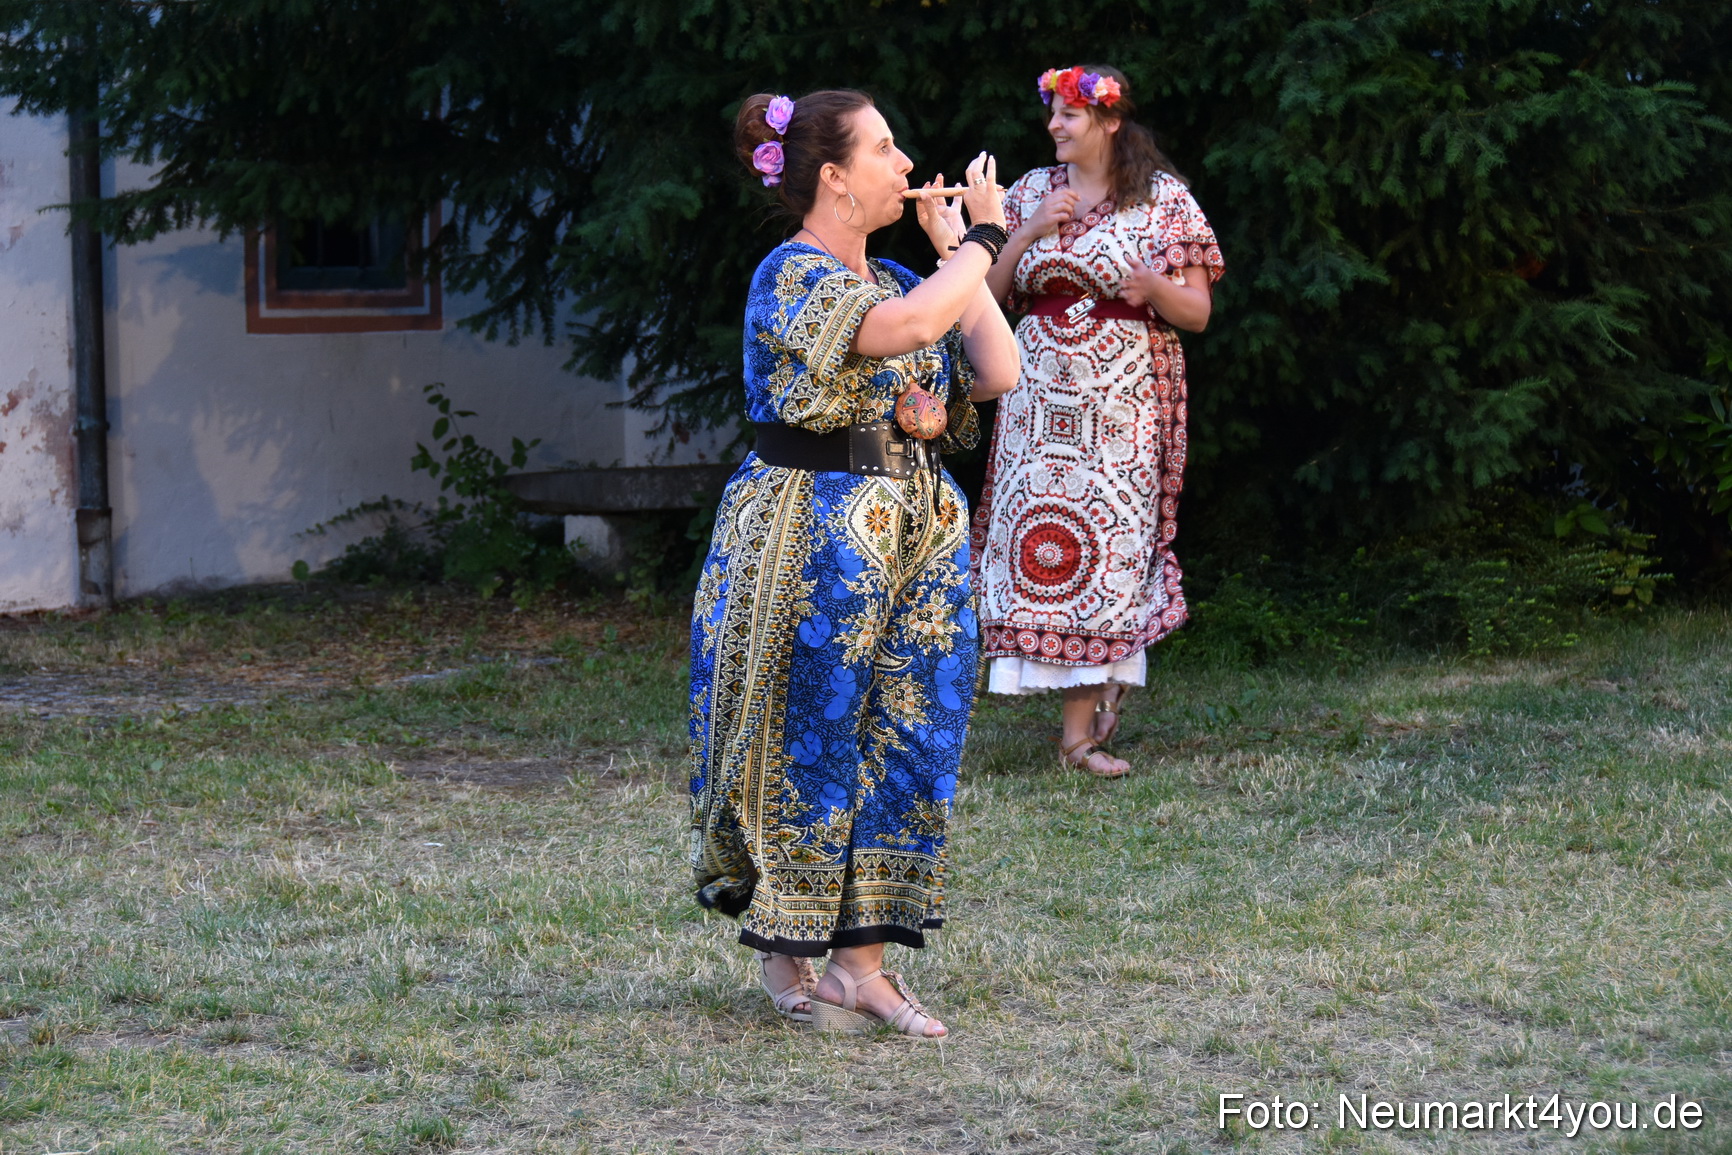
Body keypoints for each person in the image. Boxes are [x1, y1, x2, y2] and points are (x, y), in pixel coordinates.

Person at [688, 88, 1019, 1037]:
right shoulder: (788, 275)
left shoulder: (900, 280)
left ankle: (863, 966)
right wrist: (981, 244)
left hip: (912, 535)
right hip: (808, 537)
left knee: (912, 730)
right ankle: (790, 953)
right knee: (808, 736)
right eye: (883, 147)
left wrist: (969, 253)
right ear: (833, 177)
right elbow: (908, 334)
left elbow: (995, 372)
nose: (904, 158)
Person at [972, 65, 1223, 778]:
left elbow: (1198, 311)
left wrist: (1151, 288)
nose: (1054, 125)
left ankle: (1080, 734)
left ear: (1109, 122)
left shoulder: (1163, 200)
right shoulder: (1027, 192)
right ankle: (1083, 710)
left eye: (1070, 115)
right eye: (1052, 113)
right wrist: (1023, 234)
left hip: (1121, 404)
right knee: (1040, 541)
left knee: (1105, 548)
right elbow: (981, 293)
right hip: (1037, 397)